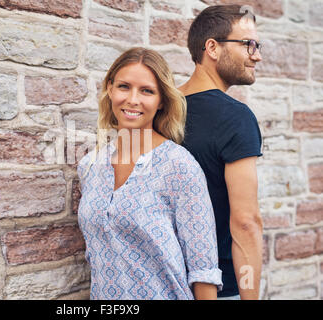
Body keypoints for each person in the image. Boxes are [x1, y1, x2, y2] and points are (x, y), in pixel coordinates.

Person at [76, 47, 222, 300]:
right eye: (124, 86)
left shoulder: (179, 166)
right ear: (110, 89)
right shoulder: (90, 166)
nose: (133, 99)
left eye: (147, 91)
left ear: (162, 100)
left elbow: (203, 270)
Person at [179, 5, 264, 300]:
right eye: (248, 44)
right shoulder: (235, 117)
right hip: (219, 286)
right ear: (212, 48)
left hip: (163, 280)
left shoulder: (160, 108)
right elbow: (246, 222)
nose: (257, 55)